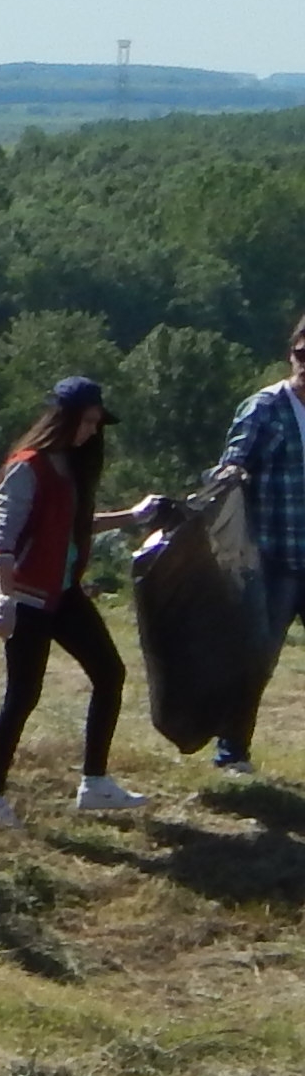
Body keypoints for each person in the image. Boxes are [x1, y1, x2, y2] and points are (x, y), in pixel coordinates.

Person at [0, 374, 167, 824]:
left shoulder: (70, 467)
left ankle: (94, 783)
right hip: (26, 598)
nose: (92, 431)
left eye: (97, 423)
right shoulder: (28, 466)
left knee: (109, 674)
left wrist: (133, 516)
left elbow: (72, 524)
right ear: (64, 419)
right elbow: (1, 541)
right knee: (22, 696)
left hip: (63, 594)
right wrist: (4, 599)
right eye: (87, 421)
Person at [209, 319, 305, 775]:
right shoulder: (265, 406)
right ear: (291, 355)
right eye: (302, 355)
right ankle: (232, 751)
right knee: (257, 656)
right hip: (272, 555)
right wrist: (231, 477)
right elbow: (233, 463)